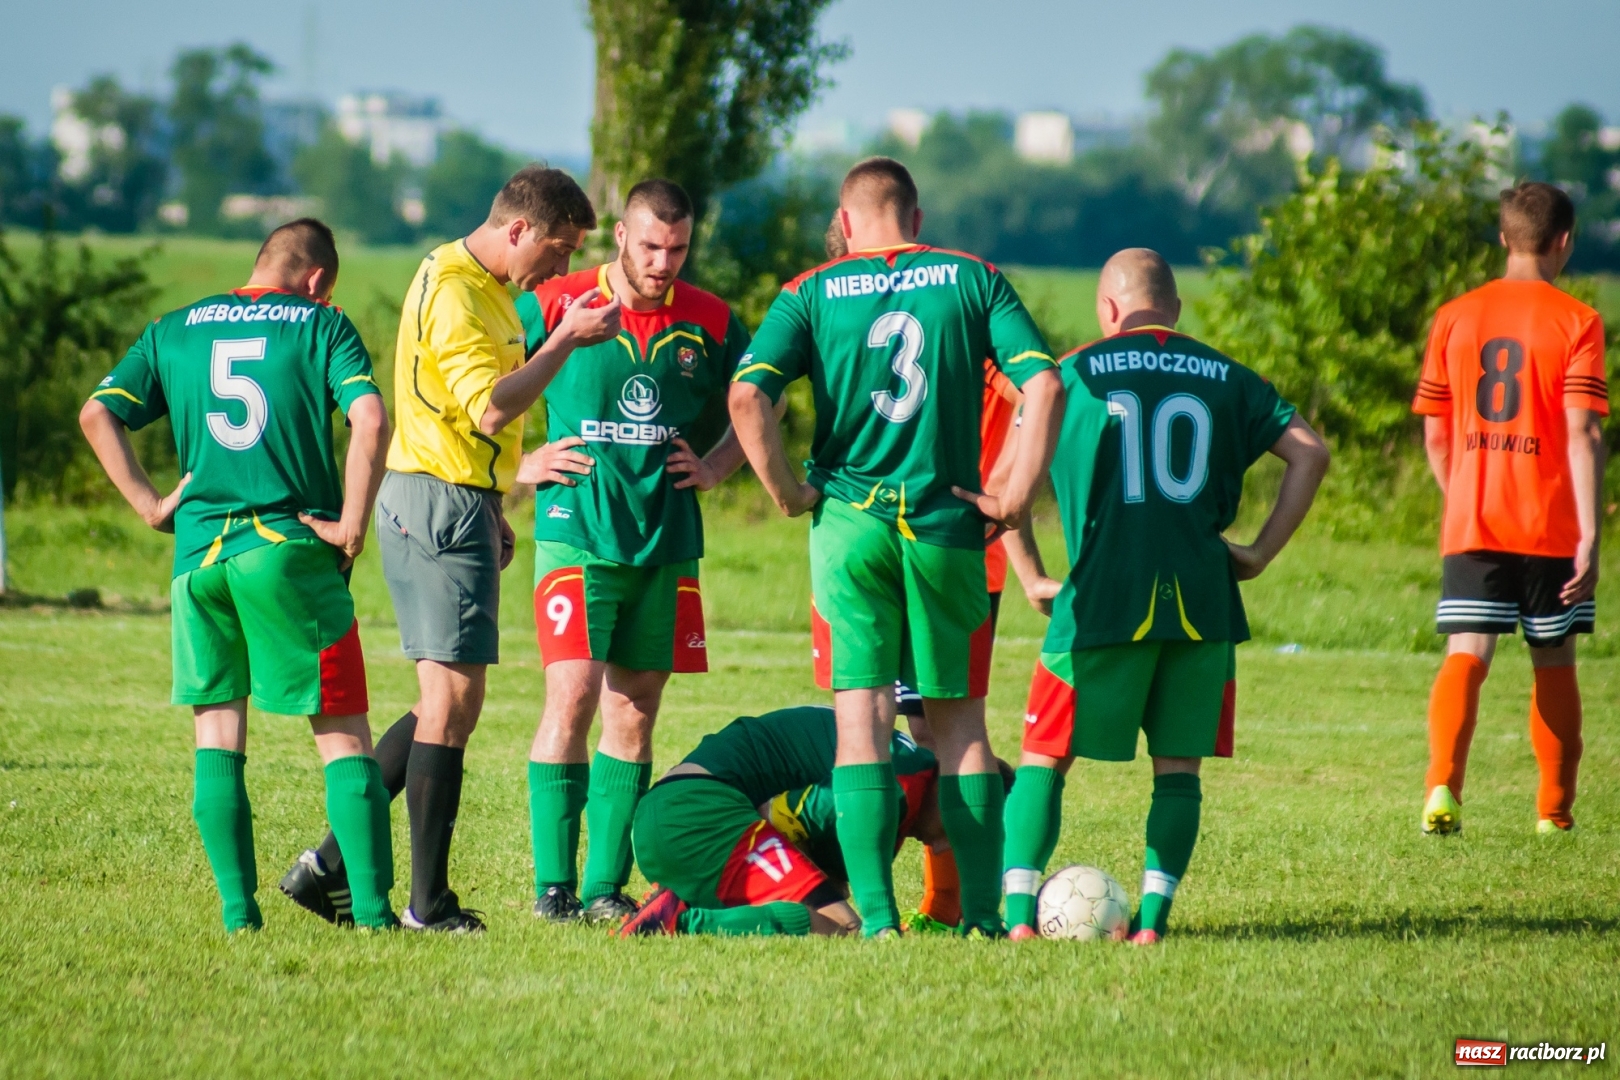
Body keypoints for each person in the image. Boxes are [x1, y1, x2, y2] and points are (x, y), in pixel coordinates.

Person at [729, 157, 1065, 937]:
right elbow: (1044, 385)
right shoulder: (972, 276)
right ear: (914, 218)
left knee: (863, 722)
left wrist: (786, 492)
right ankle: (980, 917)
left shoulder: (808, 291)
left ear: (846, 224)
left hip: (849, 523)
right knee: (962, 730)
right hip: (947, 521)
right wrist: (1011, 501)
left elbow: (748, 394)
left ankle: (878, 922)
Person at [281, 166, 621, 933]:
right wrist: (565, 338)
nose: (563, 268)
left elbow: (465, 423)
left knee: (446, 701)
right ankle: (424, 905)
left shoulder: (486, 286)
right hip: (435, 502)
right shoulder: (462, 289)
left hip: (453, 498)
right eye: (560, 249)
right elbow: (492, 408)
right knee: (452, 704)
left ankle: (328, 866)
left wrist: (492, 499)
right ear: (518, 230)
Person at [1000, 249, 1329, 945]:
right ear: (1175, 311)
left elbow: (1005, 483)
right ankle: (1151, 924)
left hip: (1100, 599)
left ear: (1107, 310)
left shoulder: (1068, 375)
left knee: (1045, 755)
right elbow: (1311, 451)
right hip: (1201, 601)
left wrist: (1029, 574)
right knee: (1178, 769)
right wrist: (1262, 551)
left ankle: (1020, 919)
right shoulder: (1228, 376)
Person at [78, 219, 398, 932]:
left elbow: (97, 413)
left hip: (198, 561)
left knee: (217, 733)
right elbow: (371, 422)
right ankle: (375, 917)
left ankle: (237, 915)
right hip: (284, 550)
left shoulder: (174, 327)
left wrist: (151, 506)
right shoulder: (322, 323)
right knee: (344, 737)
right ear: (316, 279)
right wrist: (351, 522)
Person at [512, 178, 754, 922]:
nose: (664, 262)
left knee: (636, 710)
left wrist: (716, 464)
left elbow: (759, 402)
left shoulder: (712, 321)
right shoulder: (554, 301)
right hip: (576, 532)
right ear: (621, 235)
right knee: (574, 695)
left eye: (678, 249)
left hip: (667, 541)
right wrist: (515, 467)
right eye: (651, 245)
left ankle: (603, 888)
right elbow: (477, 388)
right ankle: (553, 888)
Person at [1413, 181, 1609, 836]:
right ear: (1564, 242)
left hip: (1475, 519)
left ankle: (1442, 787)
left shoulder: (1454, 316)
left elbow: (1436, 433)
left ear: (1503, 238)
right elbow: (1583, 433)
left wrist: (1461, 494)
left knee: (1467, 650)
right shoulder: (1577, 322)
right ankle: (1553, 812)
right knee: (1553, 658)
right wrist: (1590, 536)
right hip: (1550, 525)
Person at [619, 706, 949, 936]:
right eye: (957, 833)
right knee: (844, 928)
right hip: (696, 816)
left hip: (673, 819)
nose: (943, 845)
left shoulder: (905, 769)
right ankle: (675, 923)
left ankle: (680, 904)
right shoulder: (895, 785)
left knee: (829, 913)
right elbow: (773, 814)